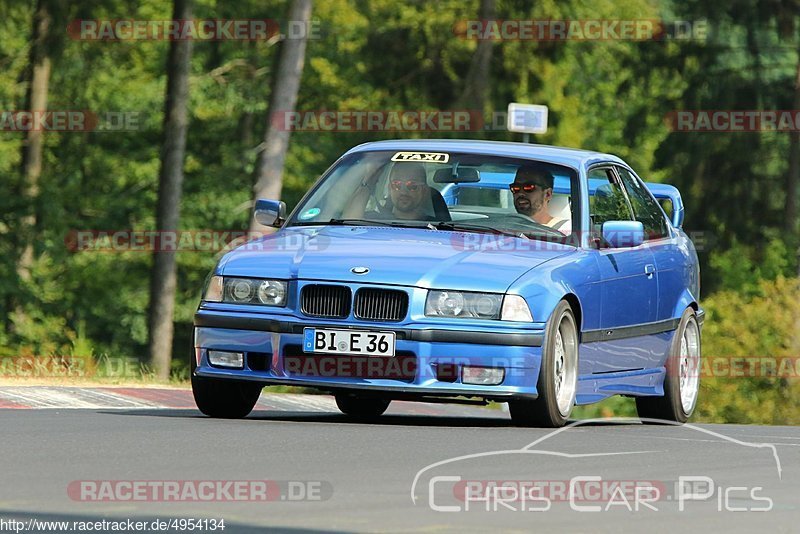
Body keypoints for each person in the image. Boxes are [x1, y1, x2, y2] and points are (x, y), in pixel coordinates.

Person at [348, 162, 436, 221]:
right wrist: (369, 181)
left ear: (424, 191)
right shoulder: (372, 221)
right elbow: (347, 228)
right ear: (390, 188)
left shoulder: (438, 228)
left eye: (412, 186)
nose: (403, 192)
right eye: (397, 185)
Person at [510, 166, 571, 234]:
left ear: (547, 194)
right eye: (516, 188)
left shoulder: (566, 231)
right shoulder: (503, 227)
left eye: (528, 187)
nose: (520, 193)